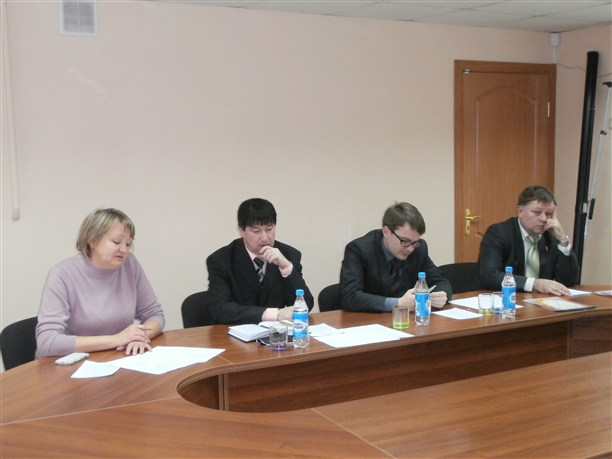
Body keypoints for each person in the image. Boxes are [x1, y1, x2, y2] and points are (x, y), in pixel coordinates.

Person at [36, 208, 165, 358]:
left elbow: (154, 315)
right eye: (116, 242)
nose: (124, 250)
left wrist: (139, 336)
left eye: (128, 244)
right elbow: (47, 342)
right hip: (68, 363)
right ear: (92, 240)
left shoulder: (129, 264)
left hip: (115, 358)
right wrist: (116, 339)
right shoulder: (62, 274)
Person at [203, 198, 314, 324]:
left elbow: (306, 305)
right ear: (241, 230)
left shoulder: (289, 255)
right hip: (236, 332)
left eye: (269, 229)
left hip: (278, 334)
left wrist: (286, 268)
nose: (265, 238)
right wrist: (275, 314)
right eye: (256, 231)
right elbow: (220, 309)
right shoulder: (221, 260)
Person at [340, 202, 452, 313]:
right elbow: (349, 296)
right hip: (371, 319)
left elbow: (440, 281)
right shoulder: (359, 250)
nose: (410, 249)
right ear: (386, 232)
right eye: (405, 241)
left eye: (415, 242)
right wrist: (398, 303)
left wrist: (440, 296)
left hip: (410, 319)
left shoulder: (419, 249)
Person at [478, 185, 580, 295]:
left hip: (540, 301)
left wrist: (562, 240)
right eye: (537, 212)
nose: (544, 219)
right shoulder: (499, 233)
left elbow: (569, 280)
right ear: (520, 211)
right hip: (507, 299)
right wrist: (534, 284)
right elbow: (490, 276)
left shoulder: (550, 235)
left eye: (549, 213)